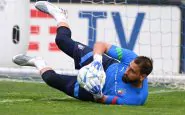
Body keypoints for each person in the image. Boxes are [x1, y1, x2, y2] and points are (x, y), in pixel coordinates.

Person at [13, 1, 153, 105]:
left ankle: (37, 61)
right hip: (104, 64)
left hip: (92, 89)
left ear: (142, 77)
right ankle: (60, 15)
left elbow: (103, 100)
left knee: (50, 79)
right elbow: (101, 45)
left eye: (132, 71)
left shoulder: (134, 99)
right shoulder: (133, 58)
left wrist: (97, 93)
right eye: (128, 66)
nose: (127, 71)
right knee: (62, 40)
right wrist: (97, 61)